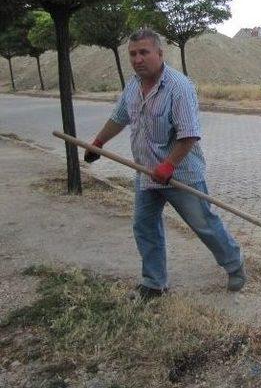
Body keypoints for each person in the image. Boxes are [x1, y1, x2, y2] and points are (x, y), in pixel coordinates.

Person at [84, 29, 245, 299]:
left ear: (160, 53)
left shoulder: (179, 87)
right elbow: (119, 117)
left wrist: (169, 165)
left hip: (180, 174)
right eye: (133, 54)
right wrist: (98, 142)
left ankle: (234, 264)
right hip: (146, 172)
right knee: (144, 226)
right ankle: (154, 283)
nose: (138, 59)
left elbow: (189, 133)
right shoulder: (133, 86)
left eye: (144, 52)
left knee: (203, 223)